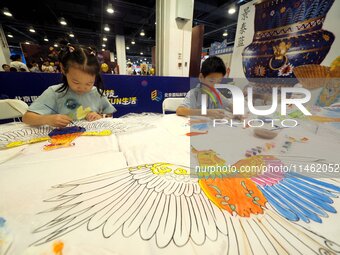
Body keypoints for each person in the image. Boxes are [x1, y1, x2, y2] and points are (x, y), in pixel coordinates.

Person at [22, 44, 116, 128]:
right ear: (63, 69)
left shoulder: (96, 92)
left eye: (89, 83)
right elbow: (27, 118)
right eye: (76, 82)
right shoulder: (55, 92)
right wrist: (48, 119)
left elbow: (109, 114)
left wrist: (100, 117)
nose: (82, 88)